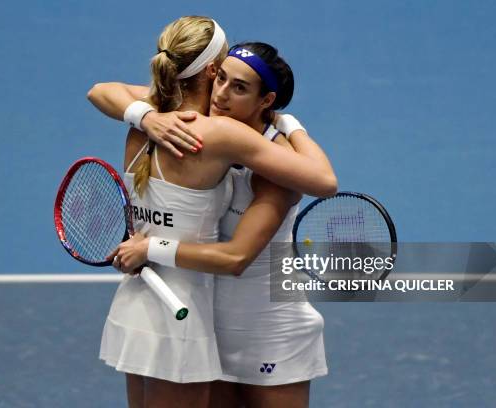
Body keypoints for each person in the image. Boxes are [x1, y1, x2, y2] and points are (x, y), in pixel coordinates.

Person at [90, 16, 337, 408]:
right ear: (209, 71)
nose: (222, 93)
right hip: (196, 316)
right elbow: (323, 180)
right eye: (221, 77)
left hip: (244, 323)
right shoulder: (206, 129)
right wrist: (293, 126)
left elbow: (100, 91)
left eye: (238, 86)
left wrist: (145, 117)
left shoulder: (157, 113)